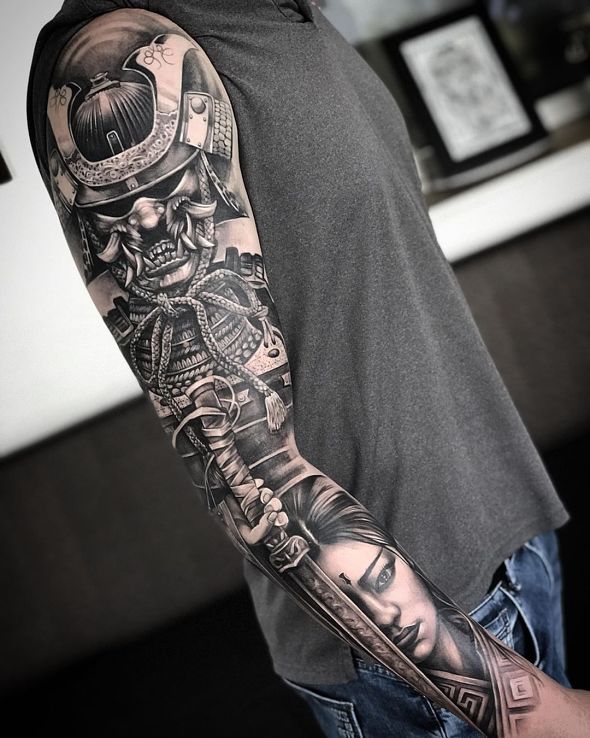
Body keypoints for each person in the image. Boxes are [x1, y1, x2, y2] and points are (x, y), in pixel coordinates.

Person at [26, 1, 589, 736]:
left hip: (513, 547)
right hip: (421, 646)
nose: (152, 226)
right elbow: (245, 468)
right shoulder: (119, 51)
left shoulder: (291, 16)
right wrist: (531, 714)